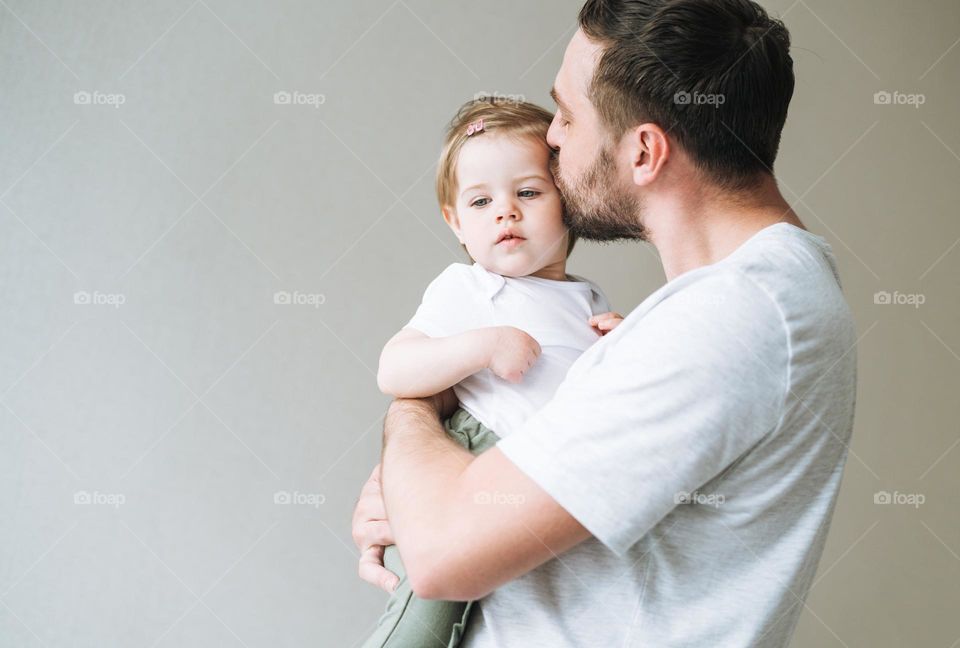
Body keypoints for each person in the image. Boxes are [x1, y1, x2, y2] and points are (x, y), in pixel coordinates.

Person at [352, 0, 858, 645]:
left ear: (644, 151)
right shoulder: (732, 302)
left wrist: (414, 417)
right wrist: (422, 487)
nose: (553, 138)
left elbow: (443, 553)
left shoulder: (730, 318)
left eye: (566, 114)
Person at [360, 97, 622, 648]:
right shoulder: (469, 287)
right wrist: (483, 345)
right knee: (426, 615)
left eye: (527, 192)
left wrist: (618, 341)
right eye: (481, 201)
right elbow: (394, 368)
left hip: (541, 481)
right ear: (456, 222)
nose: (505, 211)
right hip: (477, 455)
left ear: (567, 201)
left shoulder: (586, 297)